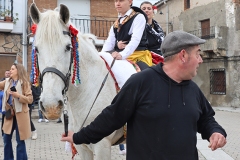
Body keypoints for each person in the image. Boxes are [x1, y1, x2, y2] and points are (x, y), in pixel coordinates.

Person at [61, 31, 227, 159]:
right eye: (198, 53)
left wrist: (216, 132)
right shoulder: (140, 82)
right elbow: (110, 118)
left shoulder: (193, 89)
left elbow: (206, 119)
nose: (200, 60)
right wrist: (77, 137)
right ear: (183, 55)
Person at [101, 0, 152, 70]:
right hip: (119, 54)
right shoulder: (116, 23)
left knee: (145, 76)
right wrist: (101, 56)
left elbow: (135, 39)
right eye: (116, 1)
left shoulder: (139, 17)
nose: (117, 4)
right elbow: (109, 42)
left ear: (130, 2)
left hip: (138, 55)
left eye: (121, 1)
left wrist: (122, 55)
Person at [0, 63, 33, 160]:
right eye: (10, 69)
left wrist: (18, 96)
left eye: (12, 69)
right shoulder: (7, 82)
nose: (10, 71)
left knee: (20, 141)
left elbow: (30, 99)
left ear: (18, 71)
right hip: (10, 114)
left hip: (21, 115)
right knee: (6, 139)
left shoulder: (25, 83)